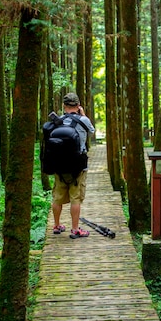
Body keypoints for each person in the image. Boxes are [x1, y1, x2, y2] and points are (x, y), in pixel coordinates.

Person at [51, 92, 95, 239]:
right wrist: (83, 114)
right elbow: (91, 133)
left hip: (59, 166)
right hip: (78, 167)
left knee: (57, 197)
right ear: (78, 105)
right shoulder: (84, 120)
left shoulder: (57, 121)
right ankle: (75, 229)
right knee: (76, 198)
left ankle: (56, 226)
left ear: (64, 106)